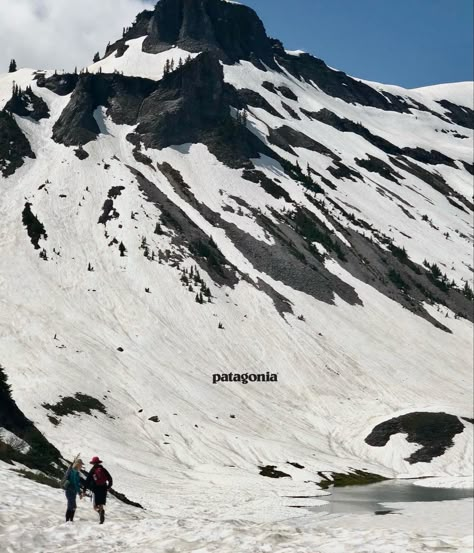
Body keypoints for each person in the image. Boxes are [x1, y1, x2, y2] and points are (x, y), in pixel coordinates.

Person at [84, 456, 113, 524]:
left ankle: (100, 512)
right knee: (101, 504)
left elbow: (87, 481)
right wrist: (108, 487)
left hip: (95, 489)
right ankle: (101, 514)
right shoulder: (103, 469)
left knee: (95, 506)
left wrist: (84, 490)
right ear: (99, 462)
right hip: (103, 489)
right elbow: (110, 479)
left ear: (93, 463)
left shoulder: (93, 470)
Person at [63, 457, 84, 522]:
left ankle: (69, 521)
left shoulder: (75, 472)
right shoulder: (74, 472)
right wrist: (80, 493)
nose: (81, 466)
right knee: (72, 506)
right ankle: (68, 521)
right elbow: (75, 483)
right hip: (70, 491)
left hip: (72, 491)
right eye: (81, 465)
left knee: (72, 506)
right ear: (78, 464)